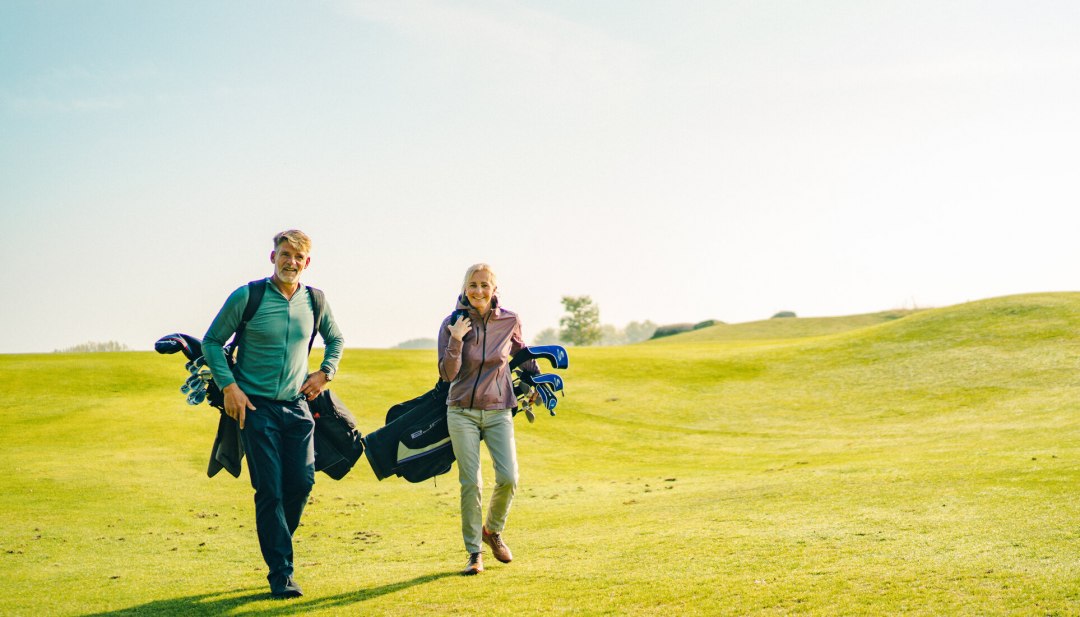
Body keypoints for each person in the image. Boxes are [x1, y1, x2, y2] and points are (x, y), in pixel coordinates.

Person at [202, 230, 344, 598]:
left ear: (306, 263)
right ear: (272, 256)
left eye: (298, 258)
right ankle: (281, 573)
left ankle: (276, 539)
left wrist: (325, 372)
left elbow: (336, 339)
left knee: (301, 484)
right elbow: (212, 342)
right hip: (256, 408)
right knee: (269, 489)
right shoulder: (247, 297)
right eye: (285, 254)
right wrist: (230, 387)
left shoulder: (315, 301)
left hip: (298, 408)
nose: (291, 262)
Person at [437, 263, 538, 575]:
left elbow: (522, 355)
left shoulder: (510, 320)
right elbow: (446, 374)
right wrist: (455, 339)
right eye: (473, 285)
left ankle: (492, 530)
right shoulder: (452, 322)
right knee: (472, 483)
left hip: (498, 409)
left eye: (484, 285)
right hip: (461, 411)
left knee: (509, 477)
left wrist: (536, 383)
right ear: (465, 288)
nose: (478, 291)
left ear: (495, 290)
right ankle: (474, 553)